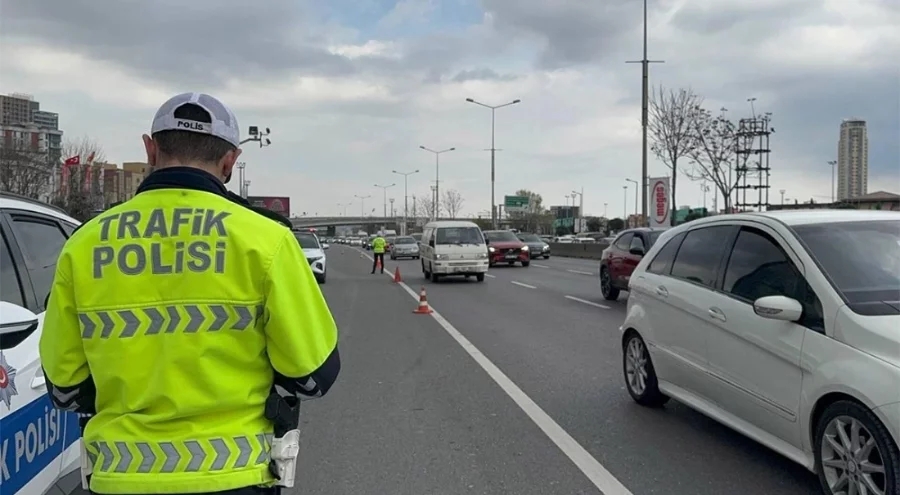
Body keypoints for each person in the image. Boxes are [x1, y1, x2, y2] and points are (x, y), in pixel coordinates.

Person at [39, 92, 340, 495]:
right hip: (235, 476)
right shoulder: (266, 240)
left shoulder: (84, 244)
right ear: (230, 161)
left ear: (150, 149)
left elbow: (64, 386)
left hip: (121, 477)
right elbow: (314, 375)